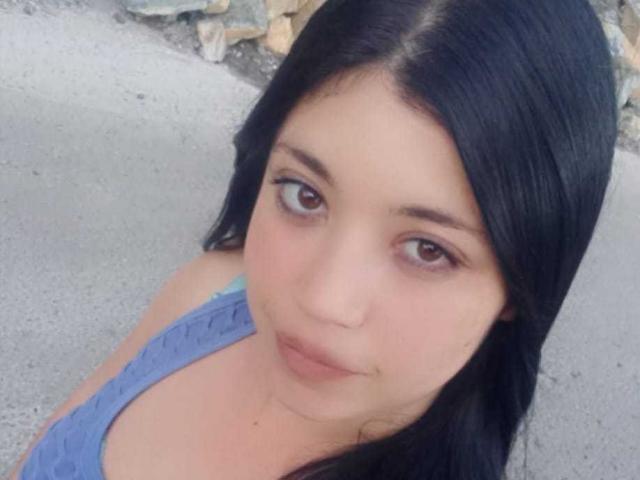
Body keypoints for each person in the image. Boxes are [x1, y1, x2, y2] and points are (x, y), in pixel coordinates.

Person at [9, 0, 618, 479]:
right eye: (304, 195)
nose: (323, 300)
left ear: (521, 280)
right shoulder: (211, 294)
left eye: (427, 249)